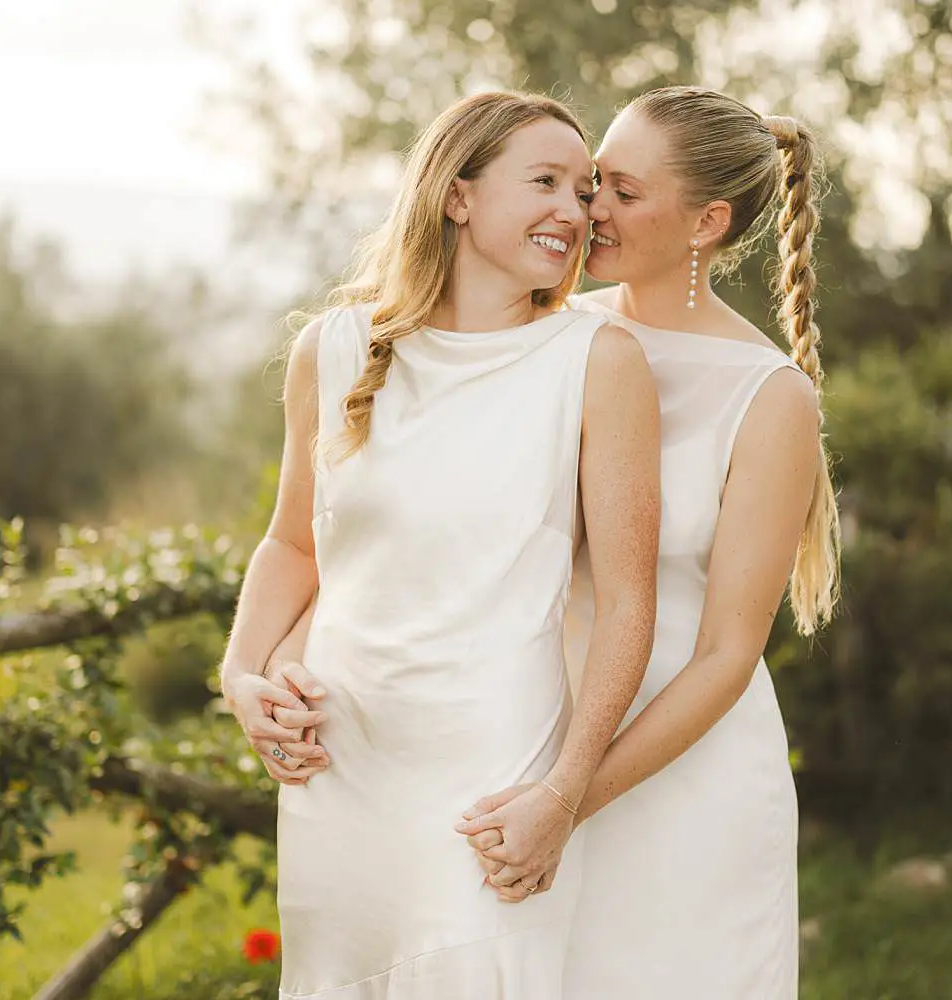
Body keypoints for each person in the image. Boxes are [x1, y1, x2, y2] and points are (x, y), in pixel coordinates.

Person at [217, 90, 662, 1000]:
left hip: (493, 779)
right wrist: (240, 677)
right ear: (458, 195)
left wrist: (563, 793)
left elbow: (628, 603)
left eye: (584, 191)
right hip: (339, 765)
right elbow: (293, 546)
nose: (575, 211)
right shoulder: (333, 349)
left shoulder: (597, 360)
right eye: (546, 182)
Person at [463, 85, 842, 1000]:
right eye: (595, 181)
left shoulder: (769, 396)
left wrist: (570, 799)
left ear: (708, 222)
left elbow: (726, 656)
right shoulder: (551, 334)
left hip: (684, 784)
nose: (588, 208)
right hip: (530, 744)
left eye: (624, 193)